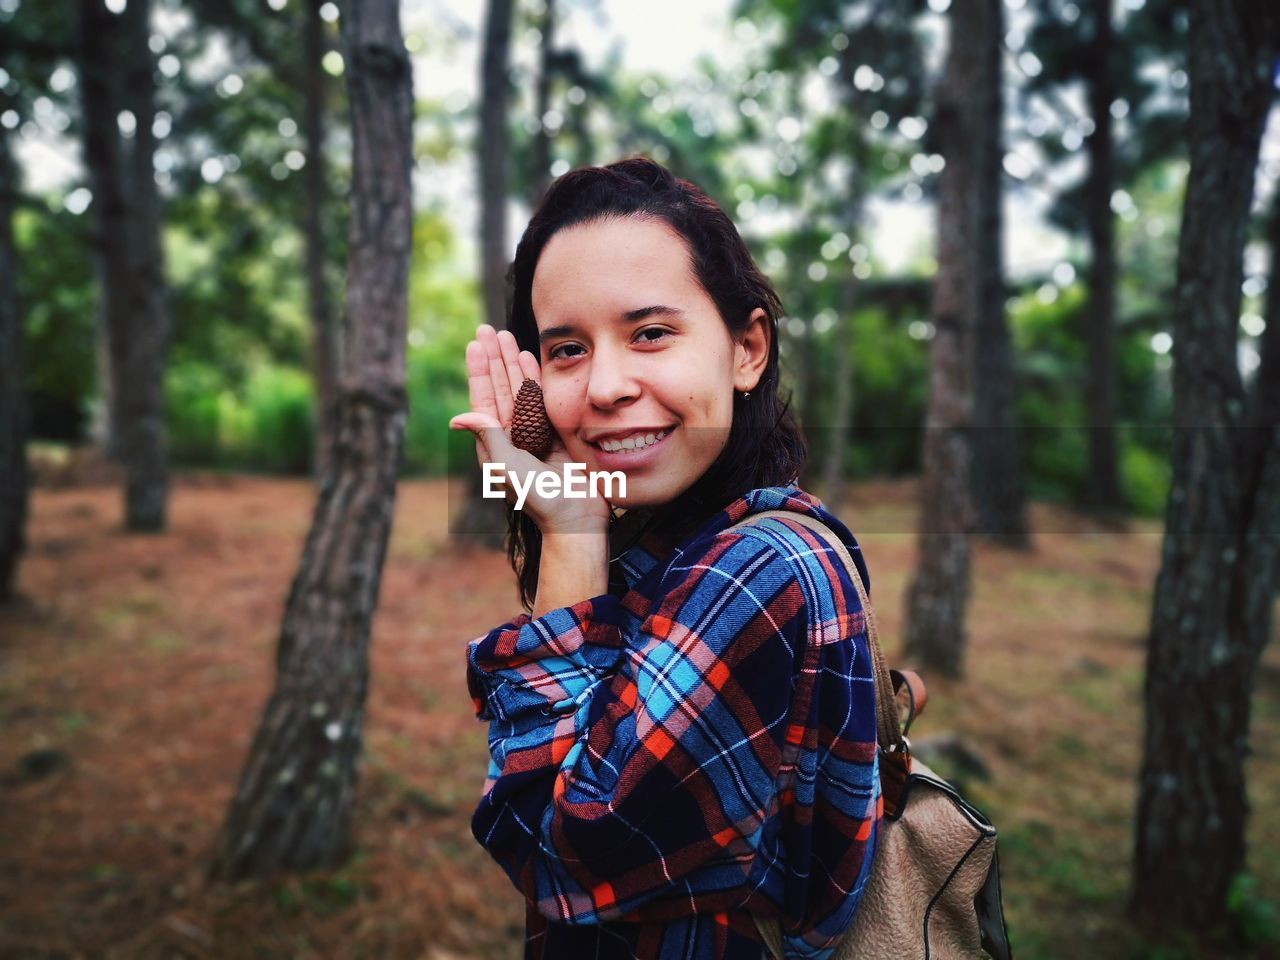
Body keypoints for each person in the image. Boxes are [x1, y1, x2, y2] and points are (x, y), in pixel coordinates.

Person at [449, 157, 880, 960]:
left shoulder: (755, 571)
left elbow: (561, 854)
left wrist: (571, 536)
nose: (607, 384)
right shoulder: (681, 547)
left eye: (650, 333)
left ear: (746, 349)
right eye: (568, 350)